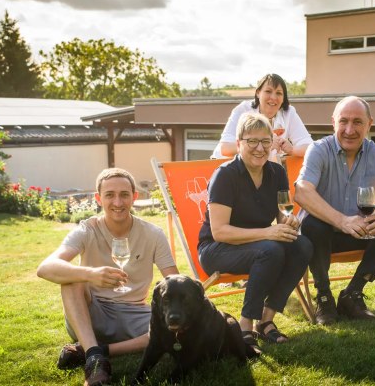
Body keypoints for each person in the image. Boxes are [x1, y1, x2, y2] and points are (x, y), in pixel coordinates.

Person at [37, 168, 178, 386]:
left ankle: (96, 351)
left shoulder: (153, 234)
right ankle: (94, 360)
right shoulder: (87, 229)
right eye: (110, 195)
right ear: (98, 198)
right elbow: (45, 268)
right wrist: (91, 274)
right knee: (71, 279)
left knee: (172, 329)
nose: (118, 202)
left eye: (124, 194)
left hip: (134, 314)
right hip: (91, 314)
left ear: (134, 197)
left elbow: (174, 282)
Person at [294, 96, 375, 324]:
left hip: (361, 232)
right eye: (344, 121)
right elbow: (302, 192)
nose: (349, 130)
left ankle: (353, 293)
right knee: (311, 224)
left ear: (369, 124)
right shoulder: (319, 150)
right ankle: (324, 297)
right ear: (333, 123)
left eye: (357, 122)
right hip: (322, 237)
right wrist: (341, 221)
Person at [199, 112, 312, 350]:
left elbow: (282, 214)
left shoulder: (277, 172)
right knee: (271, 250)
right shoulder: (225, 175)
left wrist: (288, 221)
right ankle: (245, 324)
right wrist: (268, 233)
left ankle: (267, 320)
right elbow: (219, 232)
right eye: (252, 141)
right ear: (239, 143)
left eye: (265, 141)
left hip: (259, 245)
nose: (259, 148)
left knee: (302, 245)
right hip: (218, 249)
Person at [212, 73, 313, 161]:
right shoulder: (243, 110)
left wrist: (292, 150)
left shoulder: (289, 113)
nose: (273, 97)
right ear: (258, 93)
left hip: (260, 168)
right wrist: (264, 144)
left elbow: (310, 147)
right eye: (268, 91)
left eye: (279, 93)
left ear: (283, 98)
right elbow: (225, 148)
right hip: (224, 166)